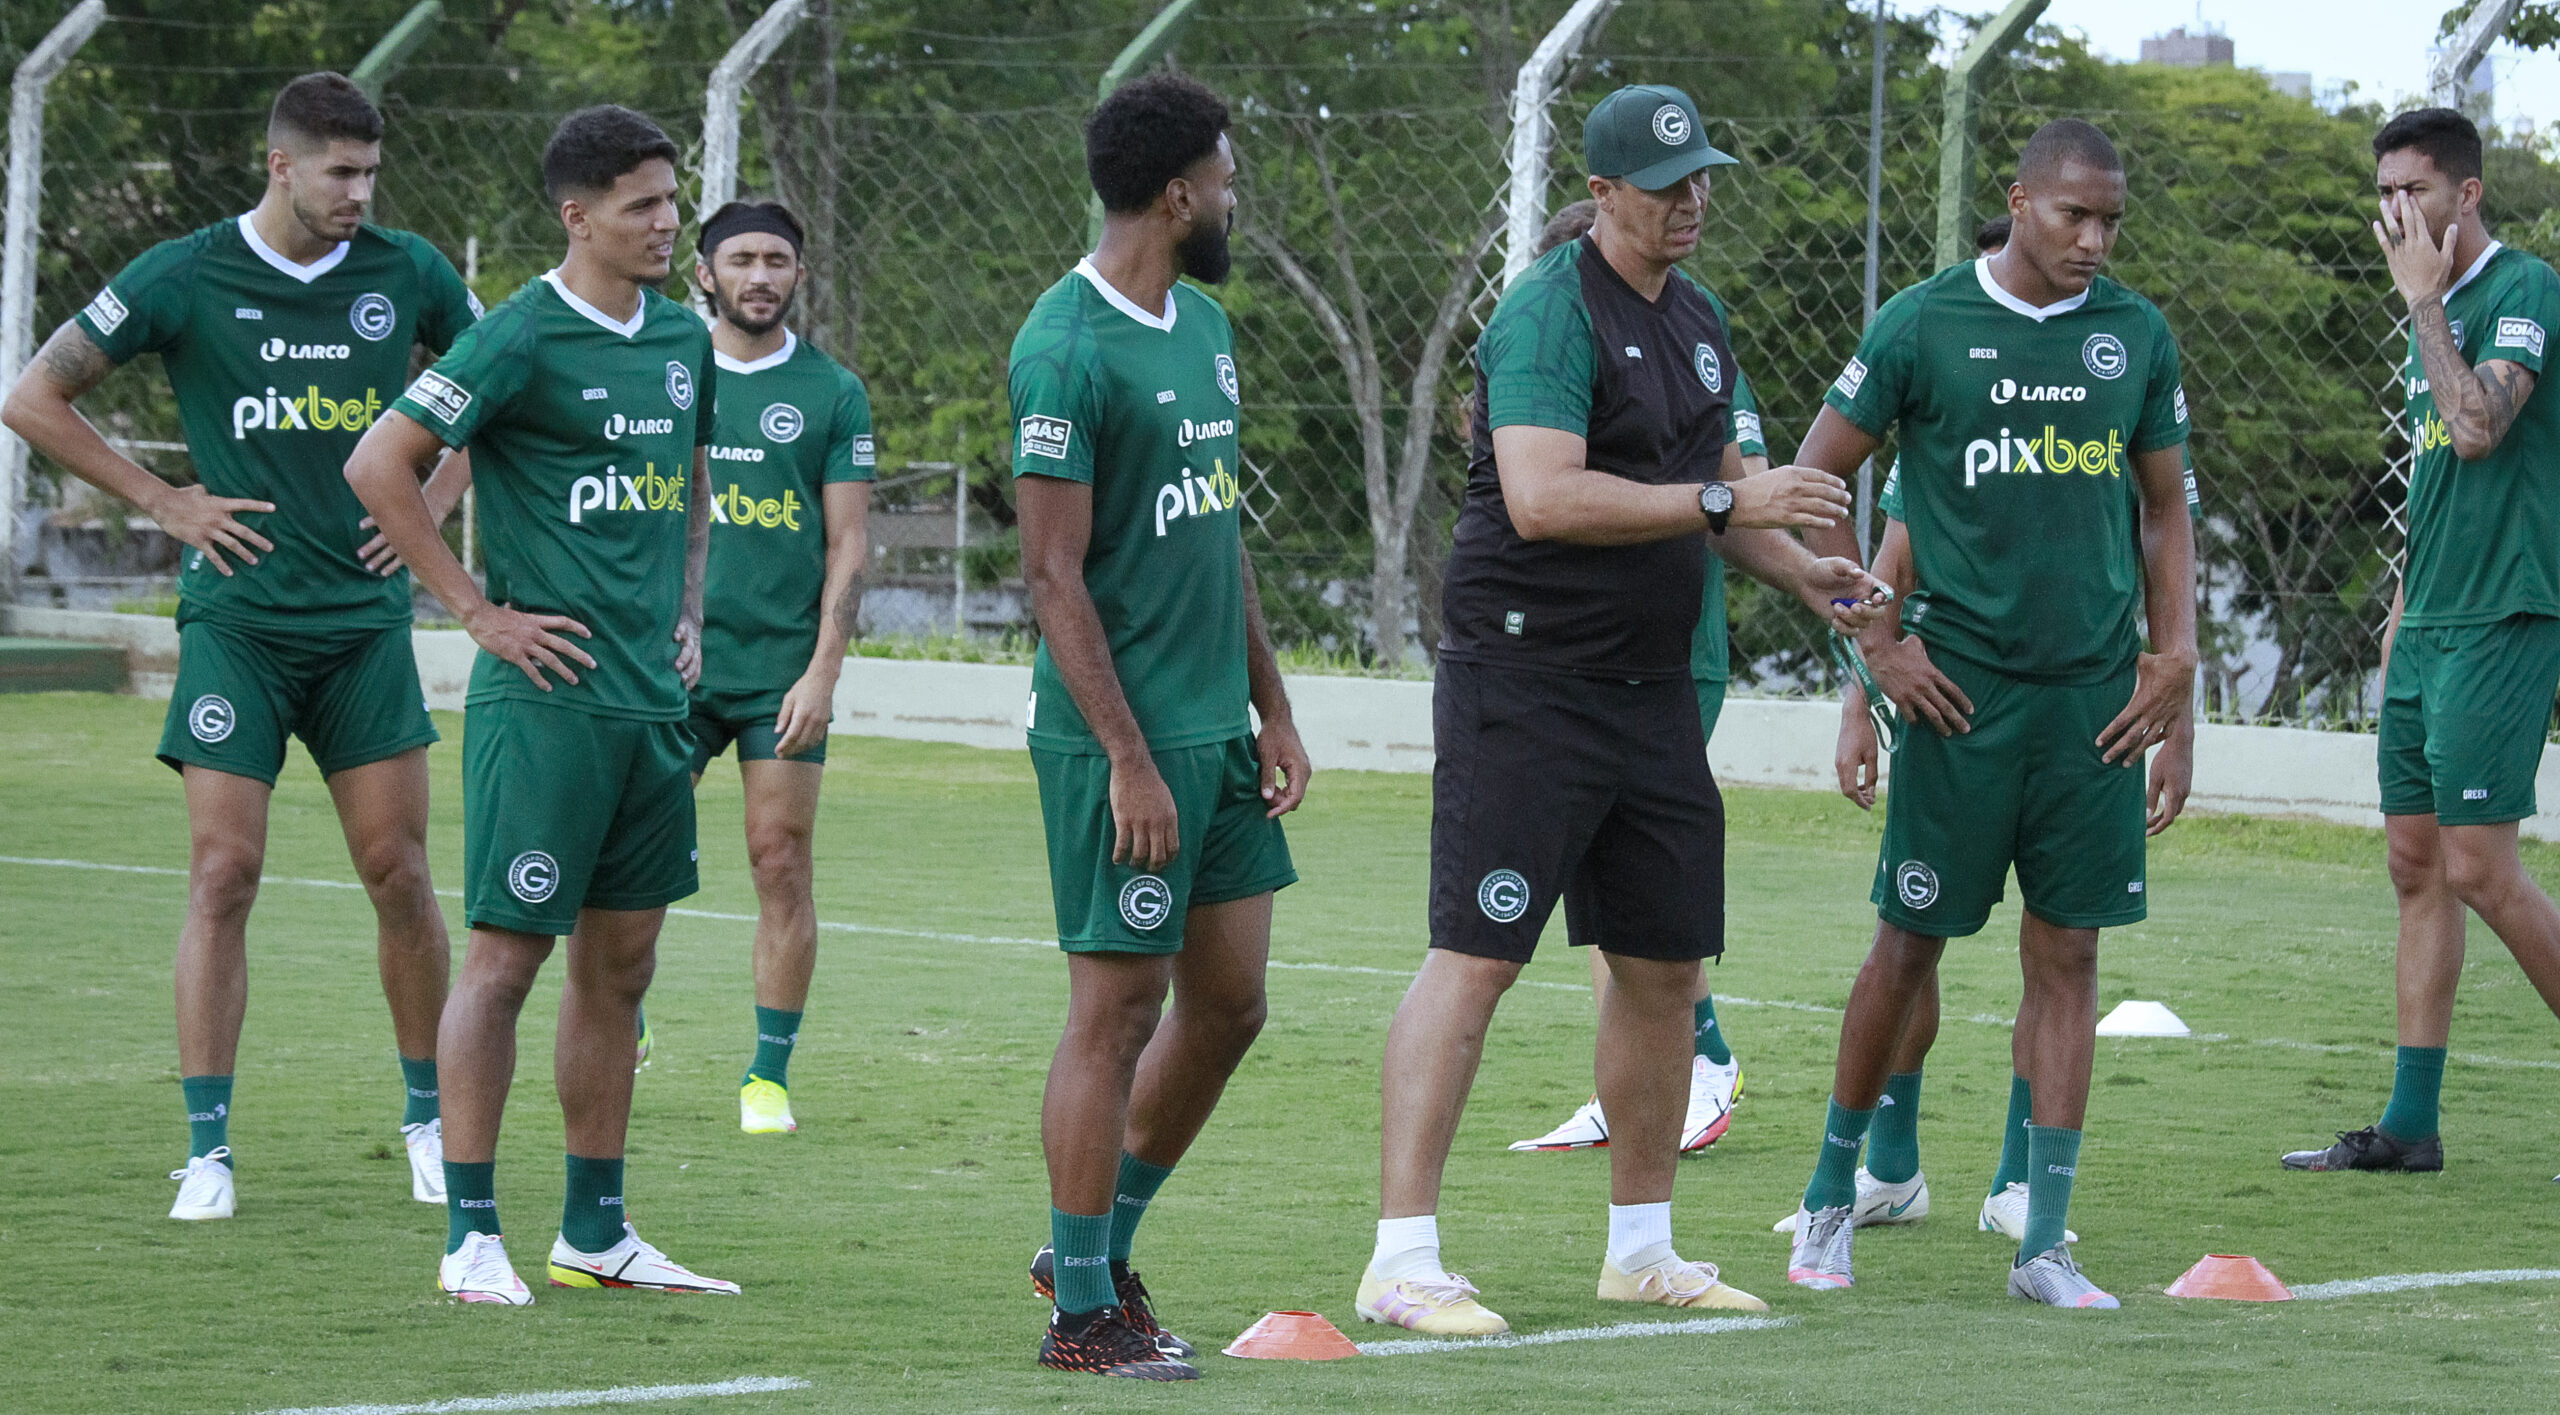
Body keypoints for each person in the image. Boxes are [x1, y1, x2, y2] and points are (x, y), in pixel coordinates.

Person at [1358, 84, 1883, 1338]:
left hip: (1648, 690)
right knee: (1476, 958)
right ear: (1600, 192)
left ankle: (1641, 1247)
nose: (1690, 199)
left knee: (1661, 968)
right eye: (1664, 183)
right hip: (1526, 682)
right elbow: (1543, 496)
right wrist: (1725, 511)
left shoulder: (1697, 319)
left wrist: (1811, 576)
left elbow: (1730, 494)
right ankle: (1401, 1257)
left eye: (1702, 176)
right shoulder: (1545, 311)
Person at [1, 72, 478, 1223]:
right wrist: (164, 501)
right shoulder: (185, 271)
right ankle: (206, 1150)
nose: (361, 193)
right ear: (282, 165)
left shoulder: (409, 270)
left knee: (399, 873)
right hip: (238, 625)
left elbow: (496, 391)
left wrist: (431, 500)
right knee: (224, 871)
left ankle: (428, 1121)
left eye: (371, 173)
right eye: (341, 173)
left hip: (363, 628)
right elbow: (34, 396)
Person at [1777, 119, 2197, 1310]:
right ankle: (1829, 1196)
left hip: (2094, 702)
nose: (2094, 239)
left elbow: (2165, 511)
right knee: (1907, 948)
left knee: (2068, 954)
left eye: (2111, 220)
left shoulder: (2135, 335)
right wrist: (1878, 643)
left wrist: (2177, 663)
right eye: (2074, 215)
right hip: (1959, 696)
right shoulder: (1921, 323)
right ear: (2018, 202)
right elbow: (1817, 483)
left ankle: (2043, 1241)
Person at [344, 104, 732, 1306]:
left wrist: (688, 608)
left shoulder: (684, 339)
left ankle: (596, 1232)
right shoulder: (516, 333)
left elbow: (693, 477)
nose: (668, 223)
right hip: (543, 703)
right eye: (642, 205)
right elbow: (378, 463)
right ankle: (469, 1234)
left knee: (620, 969)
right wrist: (475, 611)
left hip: (644, 708)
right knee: (506, 962)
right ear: (577, 214)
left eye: (673, 200)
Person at [1008, 74, 1309, 1380]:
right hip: (1113, 740)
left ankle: (1092, 1242)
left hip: (1216, 732)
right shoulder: (1063, 344)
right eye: (1227, 174)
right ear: (1178, 192)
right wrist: (1127, 754)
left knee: (1231, 1002)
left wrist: (1273, 698)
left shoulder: (1204, 327)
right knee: (1115, 1008)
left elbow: (1214, 524)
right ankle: (1084, 1309)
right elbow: (1051, 574)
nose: (1235, 194)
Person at [2281, 107, 2560, 1176]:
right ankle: (2408, 1124)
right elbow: (2437, 474)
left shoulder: (2518, 288)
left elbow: (2476, 431)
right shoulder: (2429, 308)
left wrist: (2424, 301)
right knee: (2414, 866)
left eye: (2417, 193)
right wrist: (2400, 599)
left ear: (2468, 195)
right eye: (2386, 194)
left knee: (2481, 867)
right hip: (2430, 619)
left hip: (2503, 615)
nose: (2397, 214)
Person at [1504, 197, 1766, 1157]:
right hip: (1582, 658)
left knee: (1632, 877)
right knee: (1596, 879)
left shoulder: (1690, 339)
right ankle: (1626, 1089)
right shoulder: (1557, 342)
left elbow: (1743, 495)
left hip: (1669, 657)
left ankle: (1706, 1054)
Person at [685, 199, 874, 1136]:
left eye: (777, 261)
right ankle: (620, 1012)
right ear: (705, 272)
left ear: (799, 274)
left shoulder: (834, 392)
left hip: (779, 674)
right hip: (666, 663)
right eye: (741, 259)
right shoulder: (668, 372)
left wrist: (822, 674)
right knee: (622, 852)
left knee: (780, 859)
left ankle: (767, 1076)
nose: (759, 275)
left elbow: (849, 544)